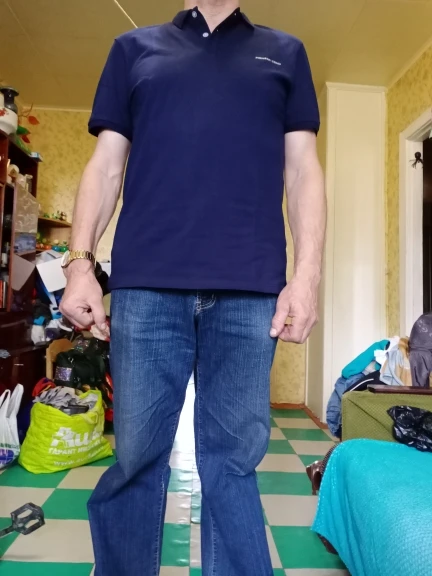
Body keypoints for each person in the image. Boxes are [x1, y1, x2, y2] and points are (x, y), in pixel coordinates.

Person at [60, 1, 326, 574]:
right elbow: (106, 166)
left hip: (250, 290)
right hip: (147, 287)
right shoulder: (133, 49)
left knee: (232, 463)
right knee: (135, 457)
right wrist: (79, 265)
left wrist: (306, 277)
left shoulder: (286, 53)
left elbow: (303, 169)